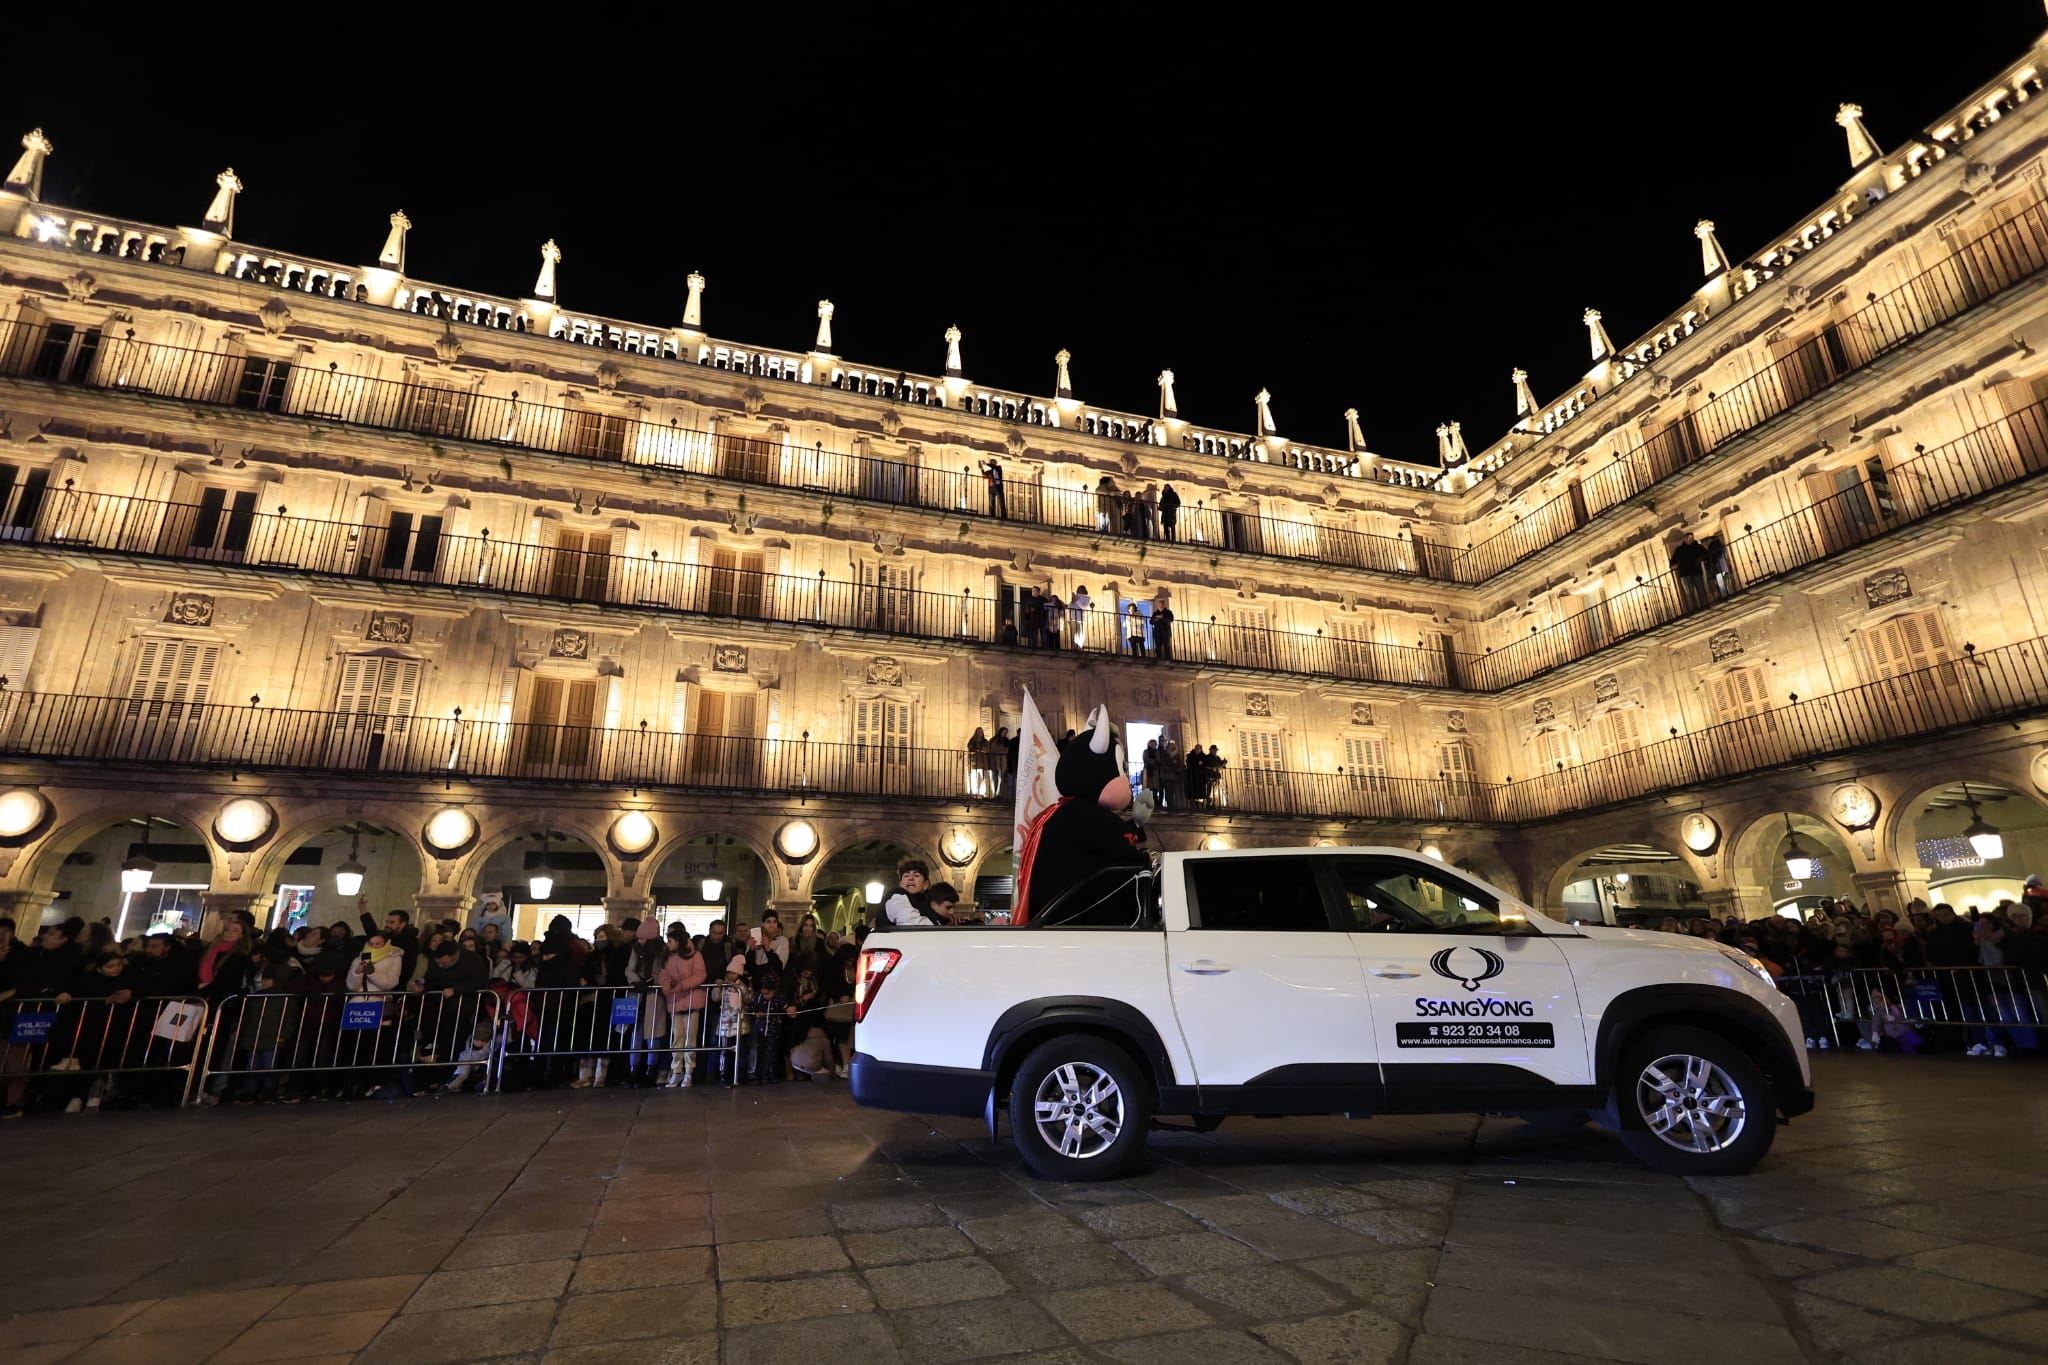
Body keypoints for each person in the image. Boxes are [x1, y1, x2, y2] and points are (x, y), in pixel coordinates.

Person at [1012, 706, 1151, 924]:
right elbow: (1120, 847)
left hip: (1068, 920)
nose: (1124, 778)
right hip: (1084, 920)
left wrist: (1135, 823)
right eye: (1119, 770)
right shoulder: (1081, 814)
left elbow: (1106, 838)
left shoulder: (1063, 813)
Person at [658, 923, 707, 1087]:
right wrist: (665, 981)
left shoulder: (695, 956)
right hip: (675, 1001)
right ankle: (677, 1070)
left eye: (670, 940)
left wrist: (682, 985)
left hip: (691, 1000)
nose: (668, 943)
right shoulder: (668, 957)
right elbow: (663, 973)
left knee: (690, 1039)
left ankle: (689, 1071)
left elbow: (700, 975)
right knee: (677, 1037)